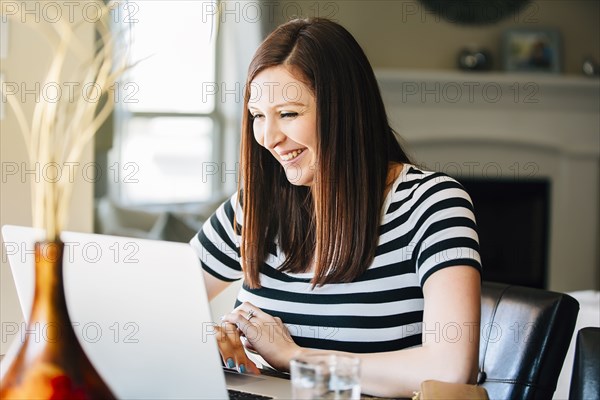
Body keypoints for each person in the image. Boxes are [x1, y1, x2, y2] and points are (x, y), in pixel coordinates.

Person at [189, 18, 482, 398]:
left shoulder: (430, 204)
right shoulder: (254, 207)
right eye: (258, 115)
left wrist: (298, 359)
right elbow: (159, 303)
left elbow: (452, 369)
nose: (269, 138)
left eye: (289, 113)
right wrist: (207, 339)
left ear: (345, 110)